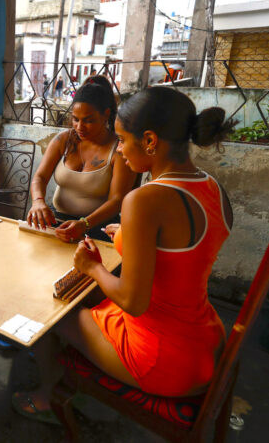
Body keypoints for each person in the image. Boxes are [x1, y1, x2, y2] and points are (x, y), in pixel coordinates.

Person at [13, 87, 236, 420]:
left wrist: (92, 268)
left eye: (121, 139)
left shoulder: (145, 200)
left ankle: (49, 395)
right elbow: (181, 254)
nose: (118, 149)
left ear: (149, 140)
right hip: (204, 343)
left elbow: (133, 302)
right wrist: (128, 235)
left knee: (45, 314)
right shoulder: (212, 188)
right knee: (80, 301)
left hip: (160, 356)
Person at [26, 77, 136, 242]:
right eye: (75, 119)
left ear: (106, 114)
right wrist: (38, 202)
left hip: (98, 227)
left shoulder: (118, 149)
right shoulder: (64, 139)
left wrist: (84, 223)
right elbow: (40, 177)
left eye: (88, 120)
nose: (79, 127)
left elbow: (117, 200)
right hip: (58, 221)